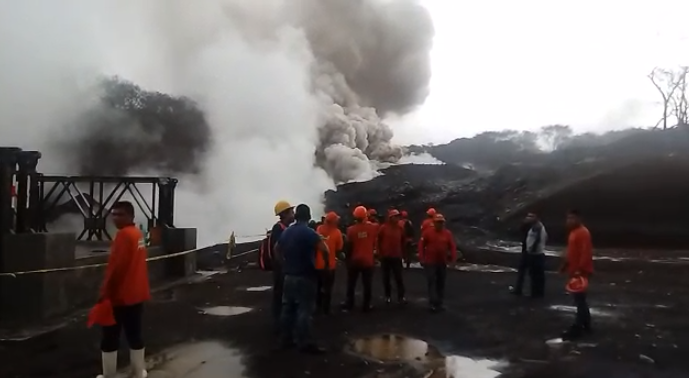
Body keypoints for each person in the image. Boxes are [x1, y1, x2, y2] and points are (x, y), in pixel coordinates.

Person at [96, 201, 150, 378]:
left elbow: (115, 268)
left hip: (119, 296)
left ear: (130, 216)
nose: (115, 218)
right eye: (113, 214)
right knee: (135, 334)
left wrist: (104, 293)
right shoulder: (137, 234)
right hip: (137, 294)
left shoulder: (123, 236)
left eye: (120, 214)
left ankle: (109, 375)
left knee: (110, 336)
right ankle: (138, 372)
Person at [276, 204, 330, 354]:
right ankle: (304, 343)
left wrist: (283, 264)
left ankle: (286, 339)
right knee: (304, 310)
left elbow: (276, 249)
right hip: (305, 276)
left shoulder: (287, 232)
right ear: (309, 216)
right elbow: (325, 249)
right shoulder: (309, 233)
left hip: (288, 276)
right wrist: (324, 266)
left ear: (297, 216)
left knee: (288, 309)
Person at [560, 209, 593, 340]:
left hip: (580, 271)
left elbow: (586, 252)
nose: (569, 221)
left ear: (579, 219)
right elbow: (571, 251)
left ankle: (577, 328)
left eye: (572, 218)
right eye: (568, 218)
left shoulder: (583, 233)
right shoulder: (573, 233)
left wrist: (581, 269)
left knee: (579, 299)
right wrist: (565, 265)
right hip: (574, 270)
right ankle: (586, 325)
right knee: (580, 298)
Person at [343, 206, 379, 312]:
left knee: (351, 283)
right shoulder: (373, 227)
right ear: (366, 216)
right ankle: (366, 305)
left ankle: (349, 303)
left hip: (355, 260)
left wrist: (347, 260)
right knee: (367, 284)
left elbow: (349, 247)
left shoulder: (350, 230)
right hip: (368, 260)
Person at [418, 213, 457, 313]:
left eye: (441, 222)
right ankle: (432, 302)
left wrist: (453, 259)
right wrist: (421, 258)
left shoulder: (447, 233)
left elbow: (452, 246)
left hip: (442, 262)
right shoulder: (427, 233)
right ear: (434, 223)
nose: (440, 224)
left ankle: (439, 302)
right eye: (438, 222)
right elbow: (421, 245)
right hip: (430, 262)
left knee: (441, 282)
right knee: (431, 281)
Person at [270, 200, 295, 334]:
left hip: (284, 268)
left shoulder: (285, 228)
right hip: (281, 269)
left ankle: (284, 323)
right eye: (291, 212)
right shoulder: (278, 229)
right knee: (280, 296)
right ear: (284, 214)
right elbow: (278, 249)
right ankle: (279, 326)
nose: (293, 214)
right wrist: (284, 265)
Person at [510, 212, 547, 298]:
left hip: (532, 253)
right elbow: (521, 231)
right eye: (528, 216)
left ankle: (536, 293)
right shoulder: (530, 226)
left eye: (531, 216)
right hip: (527, 251)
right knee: (524, 271)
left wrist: (532, 250)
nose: (529, 218)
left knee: (535, 273)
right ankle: (520, 289)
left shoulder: (537, 227)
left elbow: (537, 239)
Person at [315, 212, 344, 314]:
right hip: (329, 266)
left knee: (318, 287)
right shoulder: (337, 233)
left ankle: (318, 307)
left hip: (318, 265)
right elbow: (339, 249)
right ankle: (326, 309)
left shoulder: (318, 229)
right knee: (328, 288)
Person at [378, 209, 407, 304]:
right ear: (390, 218)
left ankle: (401, 296)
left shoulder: (400, 228)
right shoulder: (383, 228)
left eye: (398, 216)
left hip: (396, 256)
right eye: (396, 216)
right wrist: (379, 253)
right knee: (386, 278)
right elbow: (378, 240)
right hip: (385, 256)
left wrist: (402, 252)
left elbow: (403, 241)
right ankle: (387, 296)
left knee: (398, 277)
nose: (398, 218)